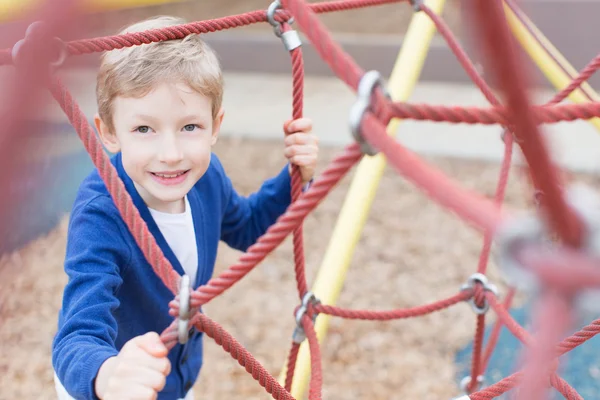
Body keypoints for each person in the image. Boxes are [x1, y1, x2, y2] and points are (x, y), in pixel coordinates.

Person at [52, 15, 319, 400]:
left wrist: (294, 177)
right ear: (108, 132)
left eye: (189, 127)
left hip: (174, 376)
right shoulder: (102, 212)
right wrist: (108, 376)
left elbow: (247, 228)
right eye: (144, 129)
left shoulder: (205, 179)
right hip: (109, 382)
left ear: (215, 126)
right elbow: (77, 333)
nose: (172, 154)